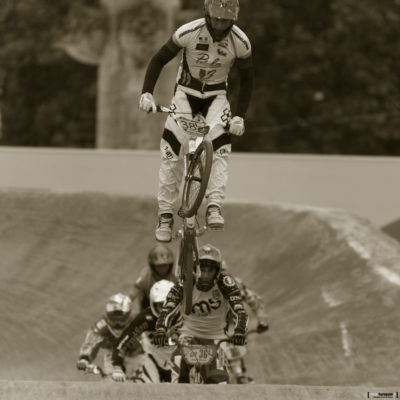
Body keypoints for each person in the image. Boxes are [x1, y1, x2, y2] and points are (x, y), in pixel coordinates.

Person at [138, 0, 254, 242]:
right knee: (171, 152)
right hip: (185, 95)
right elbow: (159, 60)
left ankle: (214, 205)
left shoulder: (240, 42)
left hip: (216, 97)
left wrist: (240, 116)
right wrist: (147, 92)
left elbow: (247, 81)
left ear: (234, 19)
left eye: (226, 20)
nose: (220, 26)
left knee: (221, 147)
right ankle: (166, 215)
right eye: (216, 19)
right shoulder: (188, 32)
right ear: (207, 13)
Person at [152, 244, 249, 383]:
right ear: (194, 269)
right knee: (178, 372)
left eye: (210, 271)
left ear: (217, 271)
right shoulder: (184, 283)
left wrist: (240, 331)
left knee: (219, 380)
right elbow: (168, 308)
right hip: (187, 336)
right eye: (201, 270)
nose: (205, 275)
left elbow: (239, 309)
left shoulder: (226, 283)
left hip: (217, 338)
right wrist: (161, 329)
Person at [111, 280, 181, 383]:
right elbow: (124, 340)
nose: (165, 310)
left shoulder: (185, 317)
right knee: (146, 389)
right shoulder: (146, 318)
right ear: (153, 304)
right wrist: (117, 366)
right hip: (153, 360)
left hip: (179, 360)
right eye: (160, 305)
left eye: (169, 305)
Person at [76, 293, 144, 381]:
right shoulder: (101, 324)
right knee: (110, 382)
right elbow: (91, 342)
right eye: (114, 318)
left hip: (136, 355)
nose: (117, 323)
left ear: (128, 314)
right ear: (108, 315)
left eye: (121, 319)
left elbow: (152, 341)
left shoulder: (139, 320)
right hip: (112, 355)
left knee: (142, 383)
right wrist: (84, 358)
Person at [221, 261, 269, 383]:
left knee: (234, 354)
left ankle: (239, 375)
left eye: (221, 271)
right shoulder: (199, 285)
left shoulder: (235, 283)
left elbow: (253, 299)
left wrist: (262, 319)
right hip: (207, 327)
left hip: (232, 327)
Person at [129, 244, 178, 313]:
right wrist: (128, 300)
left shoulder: (176, 275)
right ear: (152, 266)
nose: (162, 269)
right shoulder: (146, 275)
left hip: (171, 306)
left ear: (170, 265)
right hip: (148, 306)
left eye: (165, 265)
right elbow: (136, 288)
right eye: (159, 266)